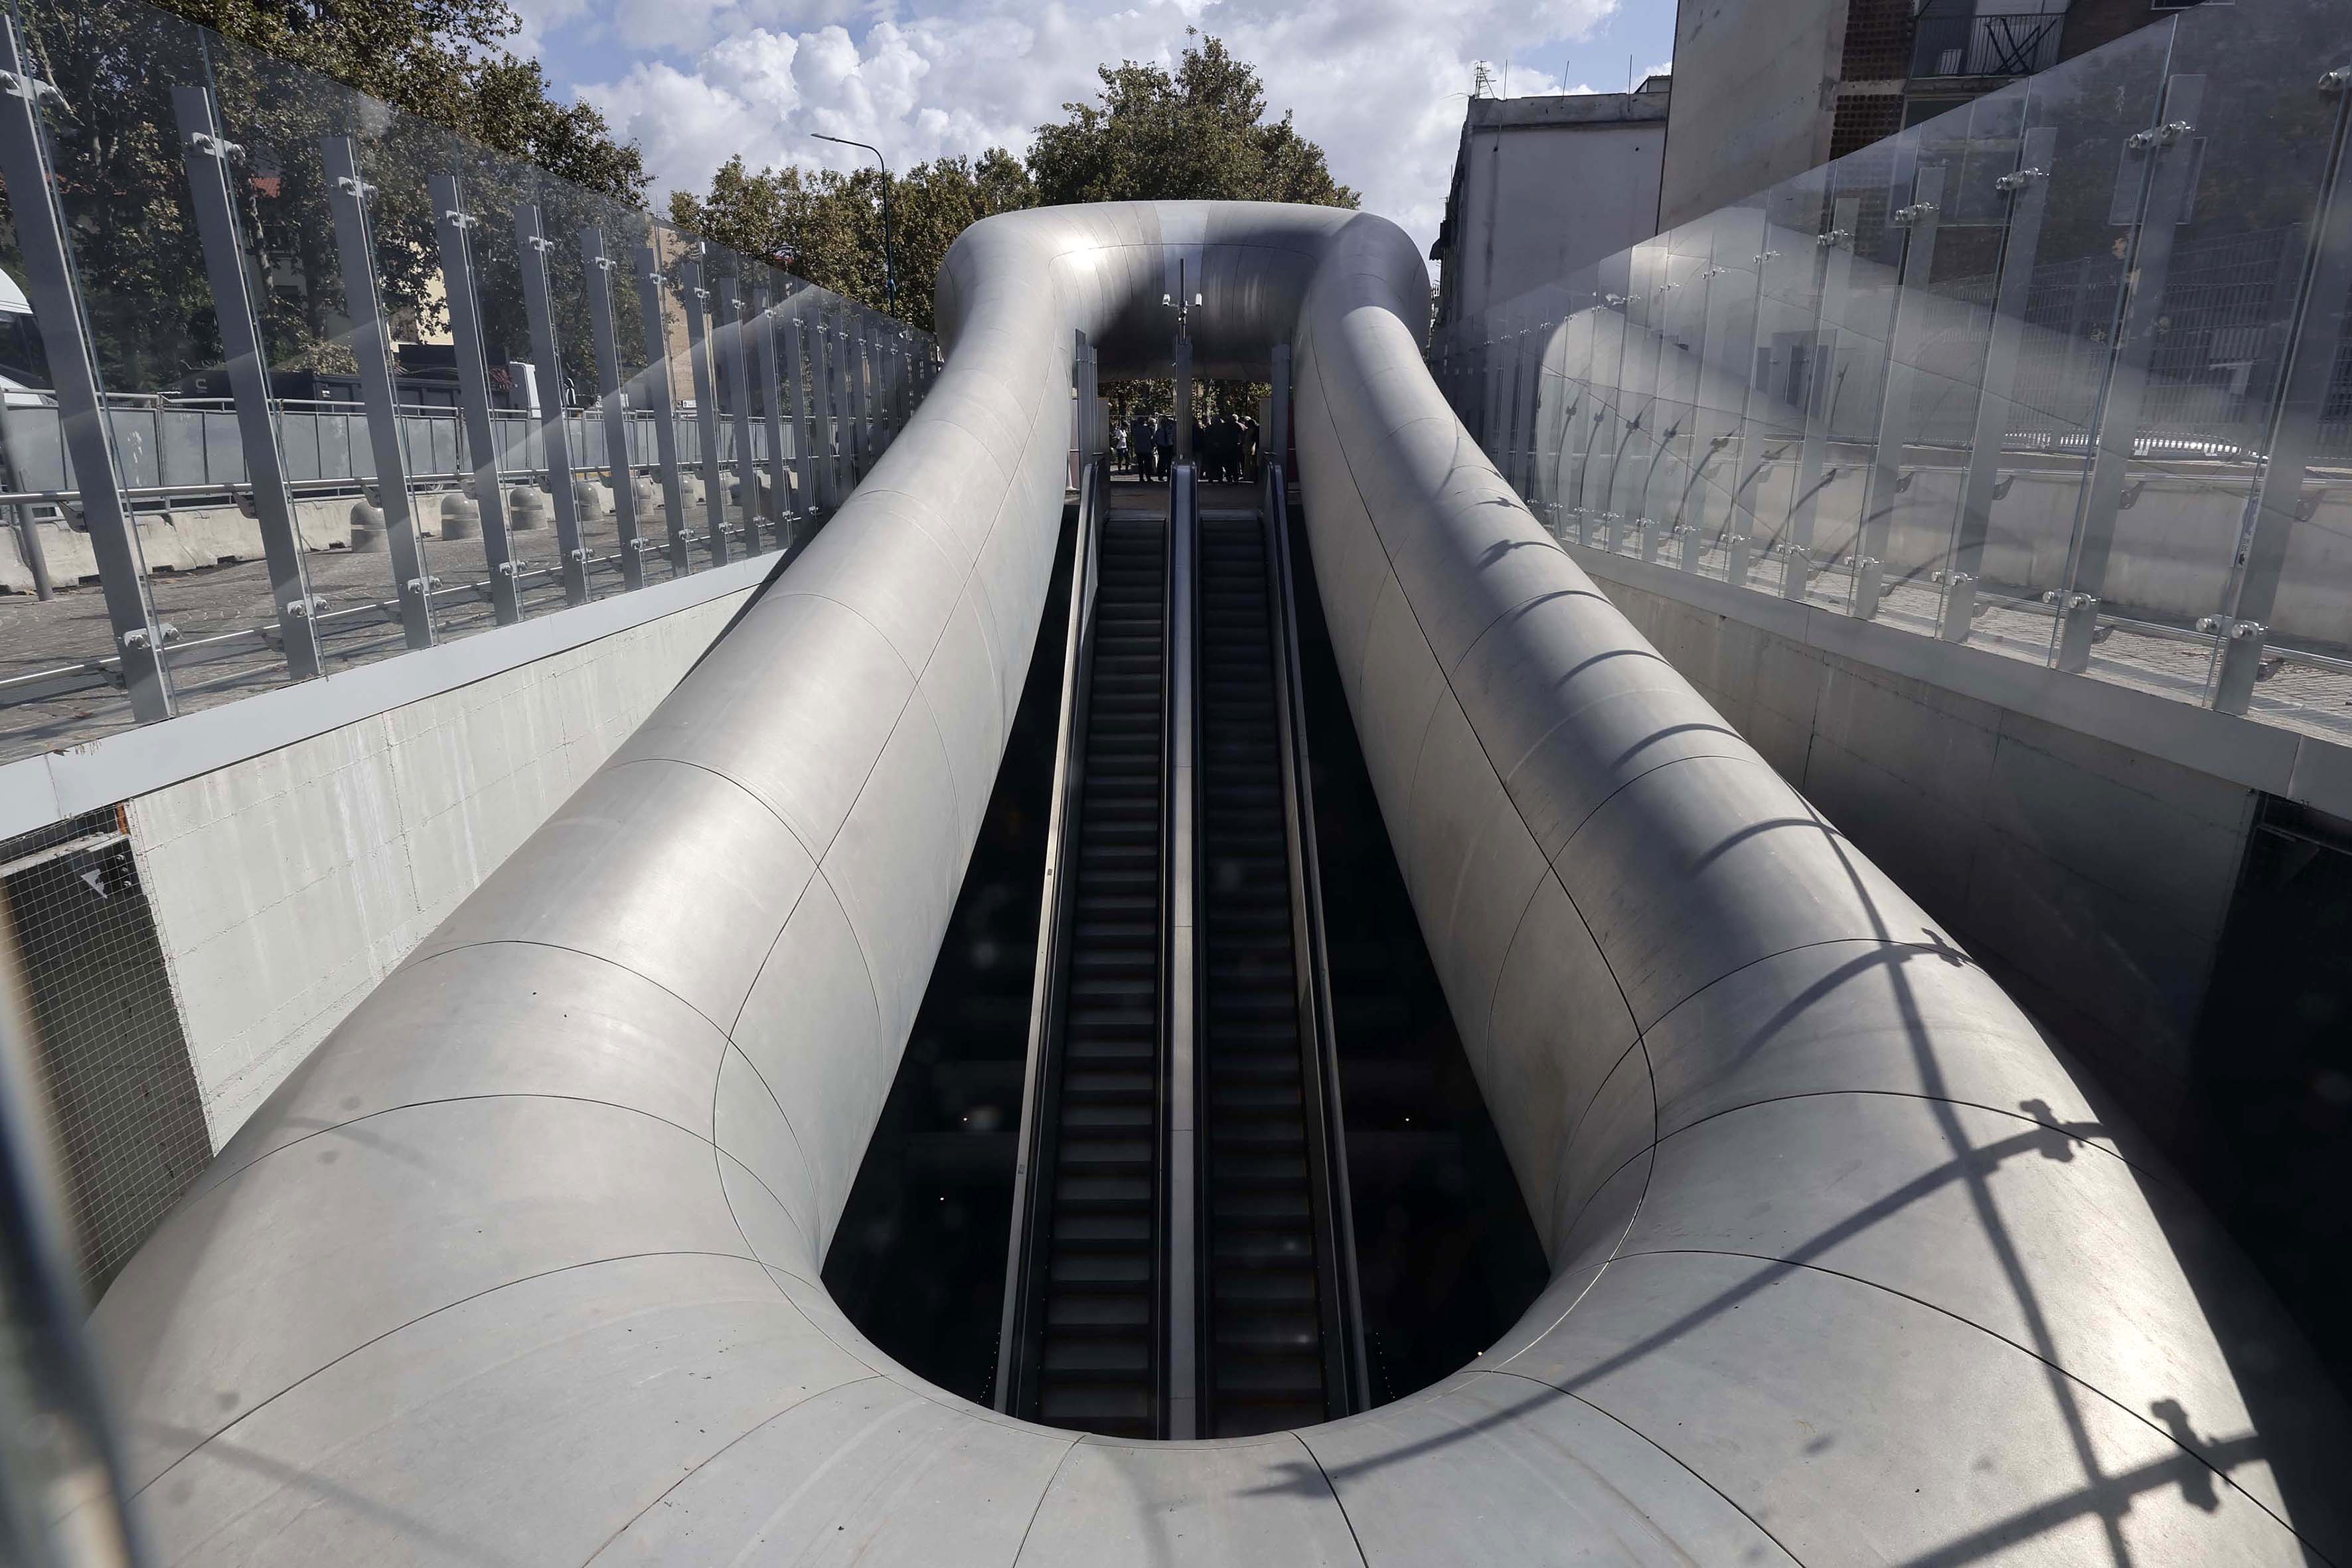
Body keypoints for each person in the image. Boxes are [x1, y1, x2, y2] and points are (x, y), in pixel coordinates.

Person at [1130, 412, 1156, 479]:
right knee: (1148, 464)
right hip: (1147, 449)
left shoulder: (1135, 430)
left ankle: (1141, 478)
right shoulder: (1147, 429)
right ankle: (1148, 477)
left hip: (1139, 449)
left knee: (1140, 465)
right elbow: (1150, 437)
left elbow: (1134, 438)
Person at [1154, 414, 1175, 479]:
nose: (1164, 424)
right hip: (1161, 447)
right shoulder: (1159, 431)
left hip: (1169, 446)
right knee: (1161, 462)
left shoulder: (1170, 429)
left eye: (1165, 423)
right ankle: (1160, 476)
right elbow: (1155, 439)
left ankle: (1169, 477)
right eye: (1163, 423)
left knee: (1169, 462)